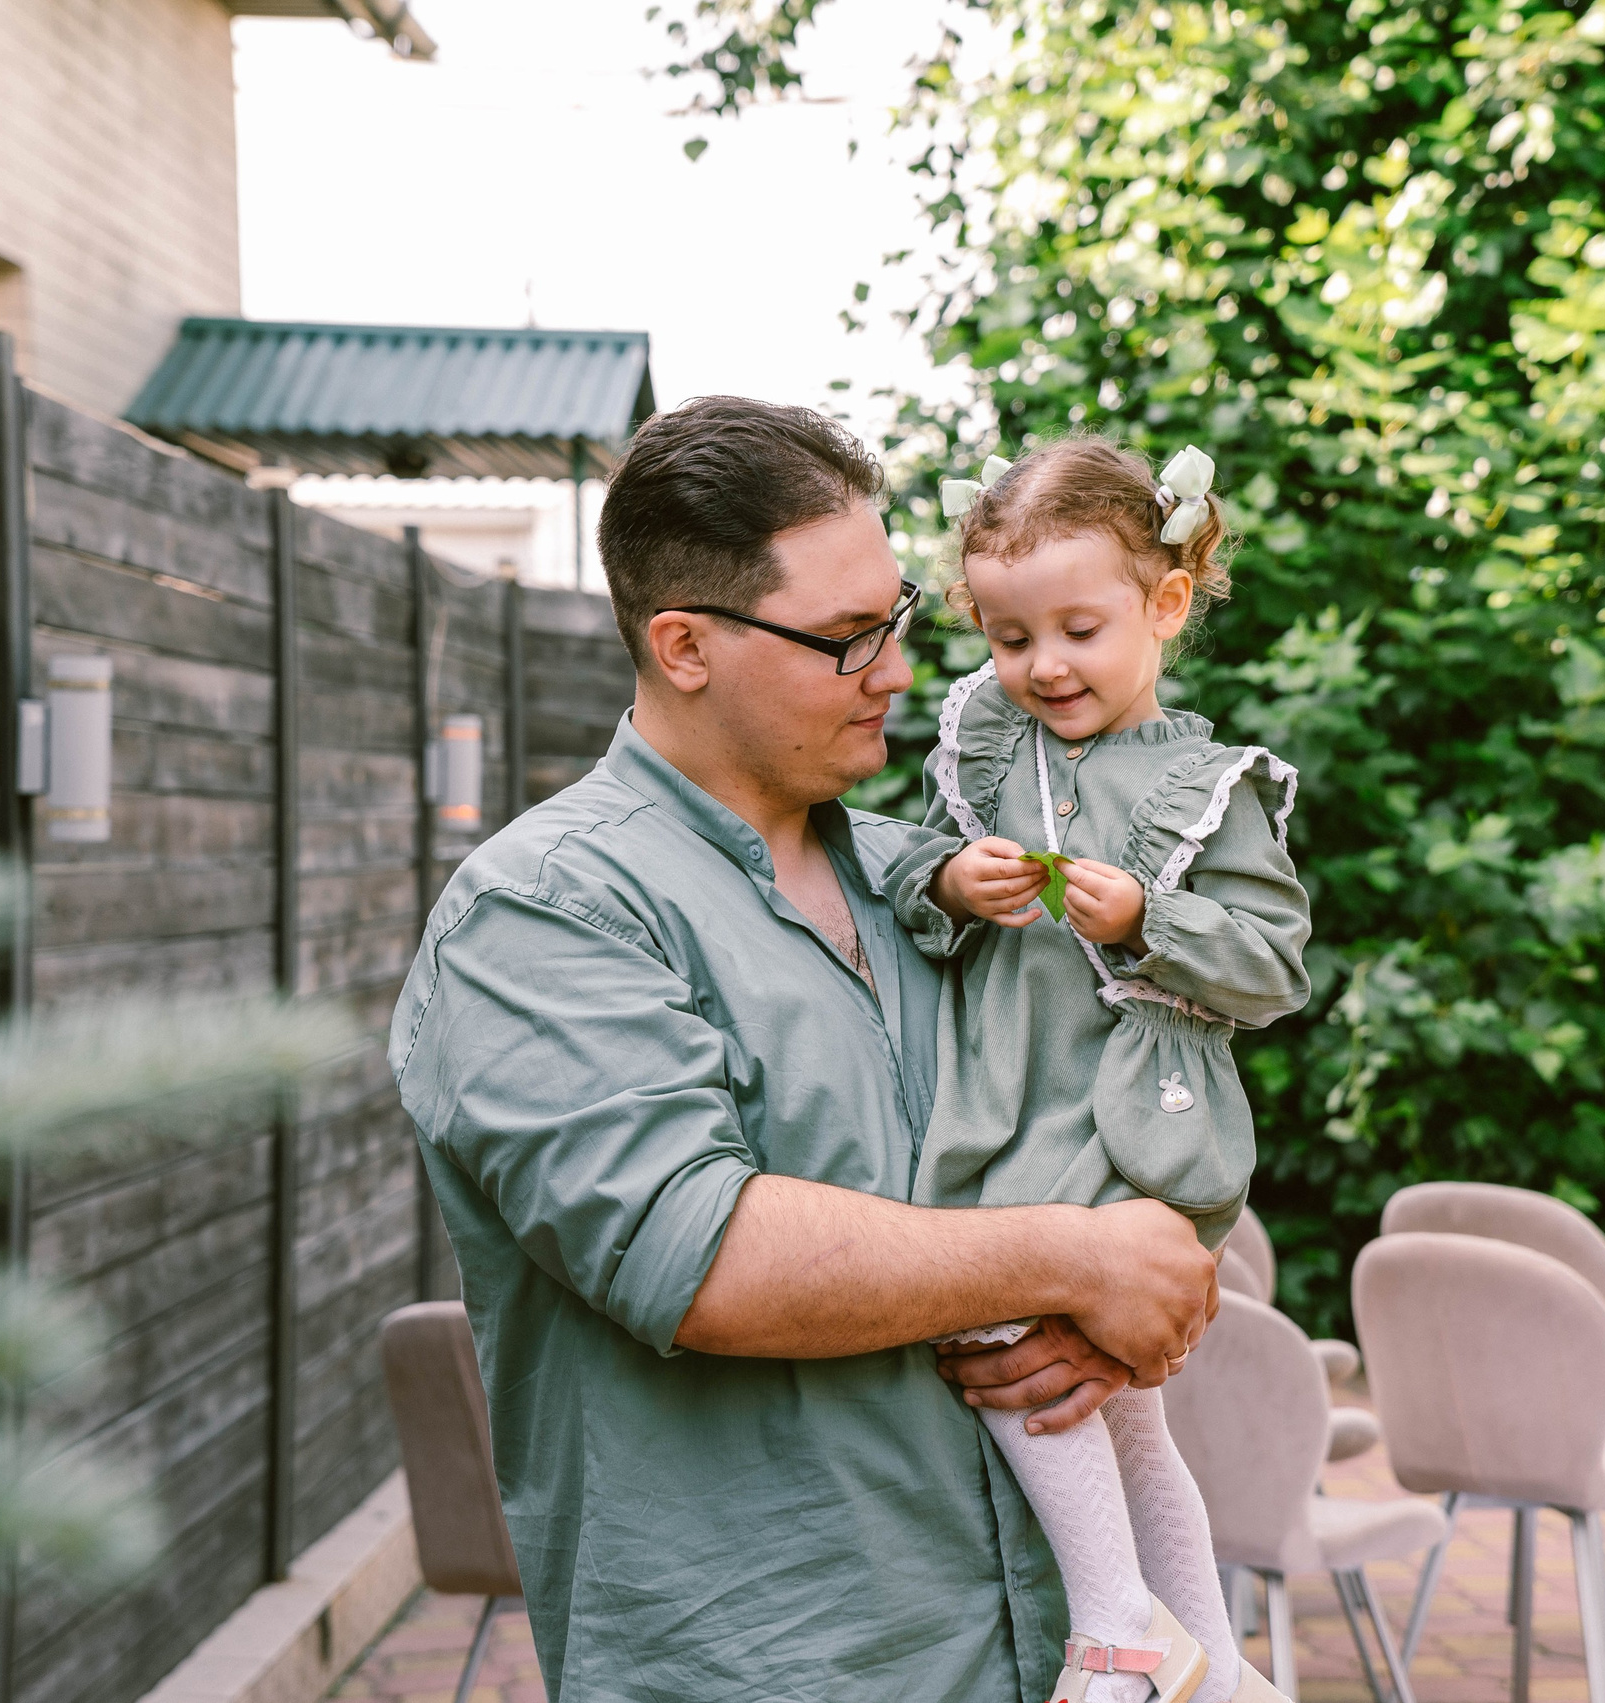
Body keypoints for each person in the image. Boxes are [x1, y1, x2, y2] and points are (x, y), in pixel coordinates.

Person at [388, 397, 1224, 1703]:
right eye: (847, 639)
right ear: (684, 646)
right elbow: (701, 1253)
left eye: (895, 618)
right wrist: (1072, 1252)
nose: (898, 669)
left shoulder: (932, 876)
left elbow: (1117, 1084)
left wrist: (1146, 1276)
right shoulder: (544, 910)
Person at [886, 438, 1313, 1703]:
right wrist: (953, 881)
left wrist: (1147, 922)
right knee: (1125, 1415)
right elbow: (900, 880)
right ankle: (1210, 1658)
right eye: (1010, 637)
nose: (1043, 666)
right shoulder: (978, 745)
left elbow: (1273, 968)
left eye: (1077, 628)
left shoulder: (1207, 786)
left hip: (1133, 1118)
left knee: (1011, 1333)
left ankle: (1118, 1624)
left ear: (1165, 603)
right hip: (1003, 1091)